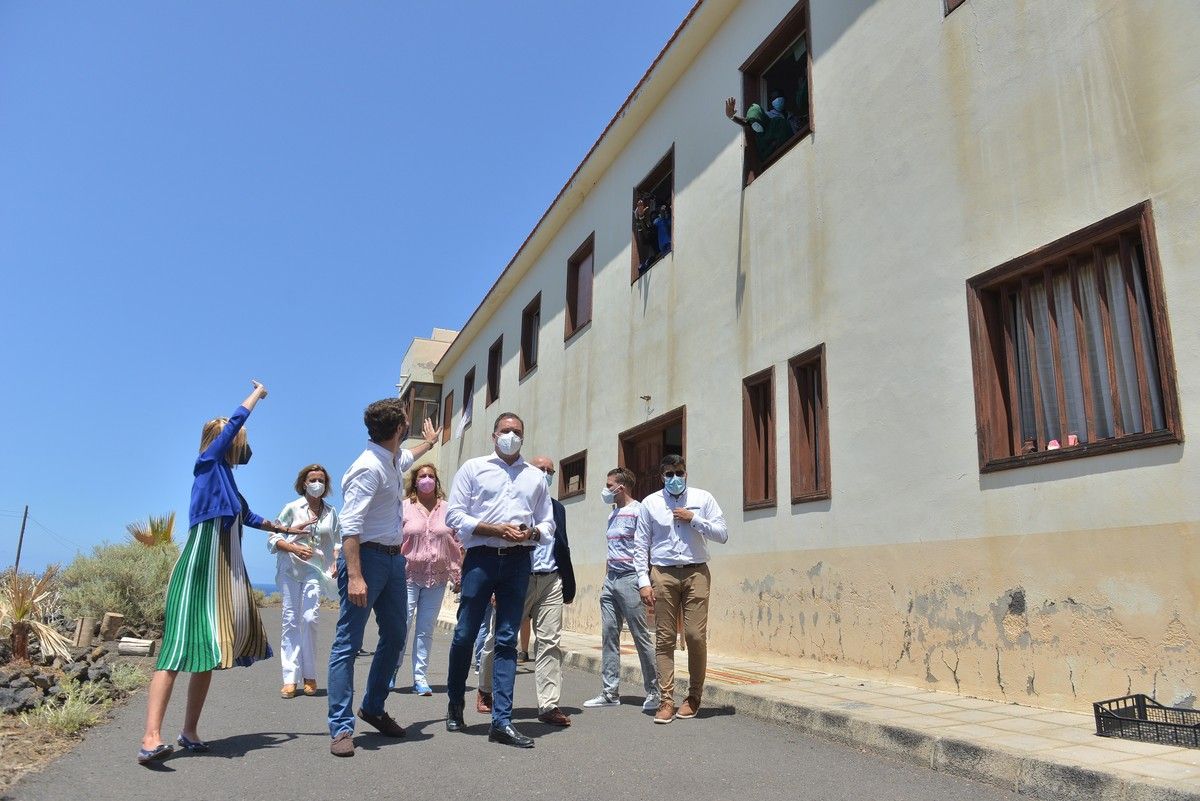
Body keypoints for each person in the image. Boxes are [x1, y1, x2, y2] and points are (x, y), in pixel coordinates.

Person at [138, 380, 314, 765]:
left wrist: (286, 529)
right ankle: (151, 736)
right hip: (202, 567)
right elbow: (233, 425)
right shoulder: (207, 464)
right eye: (237, 439)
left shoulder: (228, 480)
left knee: (208, 651)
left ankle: (189, 731)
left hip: (224, 570)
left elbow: (247, 515)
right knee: (176, 649)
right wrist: (257, 396)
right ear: (222, 441)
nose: (242, 446)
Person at [326, 399, 440, 757]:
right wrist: (356, 576)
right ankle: (341, 728)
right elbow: (351, 526)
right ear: (399, 429)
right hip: (367, 560)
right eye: (407, 422)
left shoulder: (390, 458)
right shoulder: (368, 468)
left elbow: (408, 457)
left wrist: (431, 444)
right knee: (348, 642)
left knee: (394, 636)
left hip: (394, 561)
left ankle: (373, 707)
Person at [444, 412, 554, 749]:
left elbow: (548, 524)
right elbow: (454, 514)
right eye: (505, 430)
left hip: (519, 561)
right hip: (481, 560)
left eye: (517, 431)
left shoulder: (535, 477)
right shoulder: (474, 468)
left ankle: (501, 721)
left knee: (507, 638)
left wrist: (532, 532)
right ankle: (455, 702)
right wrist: (494, 529)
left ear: (524, 436)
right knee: (464, 635)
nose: (511, 436)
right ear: (494, 436)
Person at [477, 455, 576, 727]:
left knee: (550, 642)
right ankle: (486, 690)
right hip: (517, 577)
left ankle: (548, 704)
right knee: (498, 638)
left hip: (551, 580)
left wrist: (566, 581)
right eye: (541, 469)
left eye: (550, 470)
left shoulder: (557, 508)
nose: (546, 473)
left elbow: (561, 544)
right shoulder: (515, 505)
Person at [634, 454, 728, 724]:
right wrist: (643, 580)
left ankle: (694, 696)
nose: (675, 478)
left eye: (679, 472)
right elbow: (641, 543)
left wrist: (694, 520)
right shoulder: (650, 503)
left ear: (686, 473)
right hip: (662, 573)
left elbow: (722, 534)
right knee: (664, 639)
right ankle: (666, 700)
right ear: (661, 476)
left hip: (696, 571)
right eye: (669, 474)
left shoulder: (703, 498)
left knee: (695, 636)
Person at [583, 468, 659, 712]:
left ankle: (655, 691)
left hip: (630, 579)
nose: (606, 490)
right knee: (609, 635)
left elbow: (644, 547)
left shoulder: (638, 511)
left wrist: (644, 579)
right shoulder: (612, 515)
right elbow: (611, 550)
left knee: (640, 636)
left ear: (621, 487)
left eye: (609, 485)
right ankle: (609, 692)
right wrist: (606, 579)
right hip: (611, 580)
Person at [270, 464, 339, 700]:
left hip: (315, 571)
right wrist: (292, 547)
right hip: (290, 569)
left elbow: (338, 540)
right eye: (312, 479)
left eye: (320, 479)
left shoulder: (331, 512)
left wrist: (337, 562)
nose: (316, 483)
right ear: (303, 483)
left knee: (309, 619)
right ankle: (290, 678)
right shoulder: (291, 508)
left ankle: (309, 674)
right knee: (290, 620)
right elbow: (273, 537)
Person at [393, 463, 462, 696]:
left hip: (438, 577)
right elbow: (393, 540)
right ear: (415, 481)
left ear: (436, 481)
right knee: (402, 626)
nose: (426, 479)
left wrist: (458, 573)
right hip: (407, 575)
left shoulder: (448, 509)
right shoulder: (404, 508)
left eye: (431, 475)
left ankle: (420, 678)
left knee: (425, 629)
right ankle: (391, 670)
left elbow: (457, 542)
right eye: (422, 476)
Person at [633, 195, 659, 273]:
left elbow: (647, 232)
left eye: (655, 216)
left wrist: (641, 218)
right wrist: (639, 220)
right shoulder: (651, 229)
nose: (653, 219)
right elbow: (643, 239)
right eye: (652, 218)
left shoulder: (658, 225)